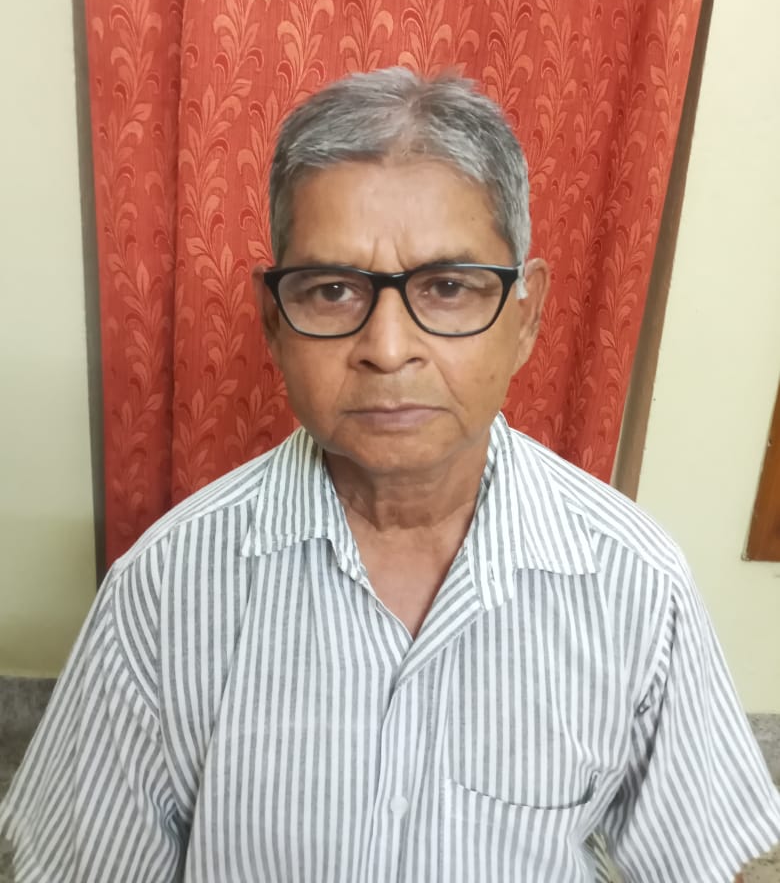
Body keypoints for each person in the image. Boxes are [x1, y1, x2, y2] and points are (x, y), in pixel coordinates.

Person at [1, 68, 778, 883]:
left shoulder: (635, 585)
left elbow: (705, 863)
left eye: (446, 287)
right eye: (334, 290)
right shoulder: (164, 594)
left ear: (526, 316)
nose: (388, 348)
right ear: (274, 321)